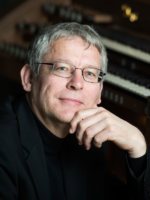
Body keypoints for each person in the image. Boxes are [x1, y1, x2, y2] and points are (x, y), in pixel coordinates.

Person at [0, 22, 147, 200]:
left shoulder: (90, 138)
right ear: (29, 78)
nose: (77, 83)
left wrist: (137, 145)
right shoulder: (4, 143)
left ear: (100, 92)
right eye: (62, 68)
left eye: (90, 73)